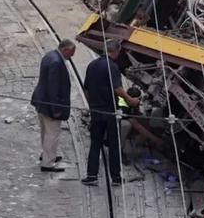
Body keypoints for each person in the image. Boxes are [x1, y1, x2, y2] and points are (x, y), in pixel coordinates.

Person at [81, 39, 139, 187]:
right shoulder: (113, 67)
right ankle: (116, 178)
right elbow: (118, 89)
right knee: (114, 144)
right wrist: (131, 101)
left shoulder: (92, 65)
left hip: (96, 111)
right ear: (116, 52)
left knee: (95, 143)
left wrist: (91, 105)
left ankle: (91, 175)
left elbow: (86, 88)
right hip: (109, 112)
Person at [31, 39, 76, 172]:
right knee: (52, 133)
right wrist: (56, 108)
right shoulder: (56, 62)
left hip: (41, 101)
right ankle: (48, 163)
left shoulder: (49, 55)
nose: (71, 56)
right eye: (71, 53)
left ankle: (47, 155)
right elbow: (53, 88)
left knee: (45, 131)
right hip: (50, 105)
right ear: (65, 50)